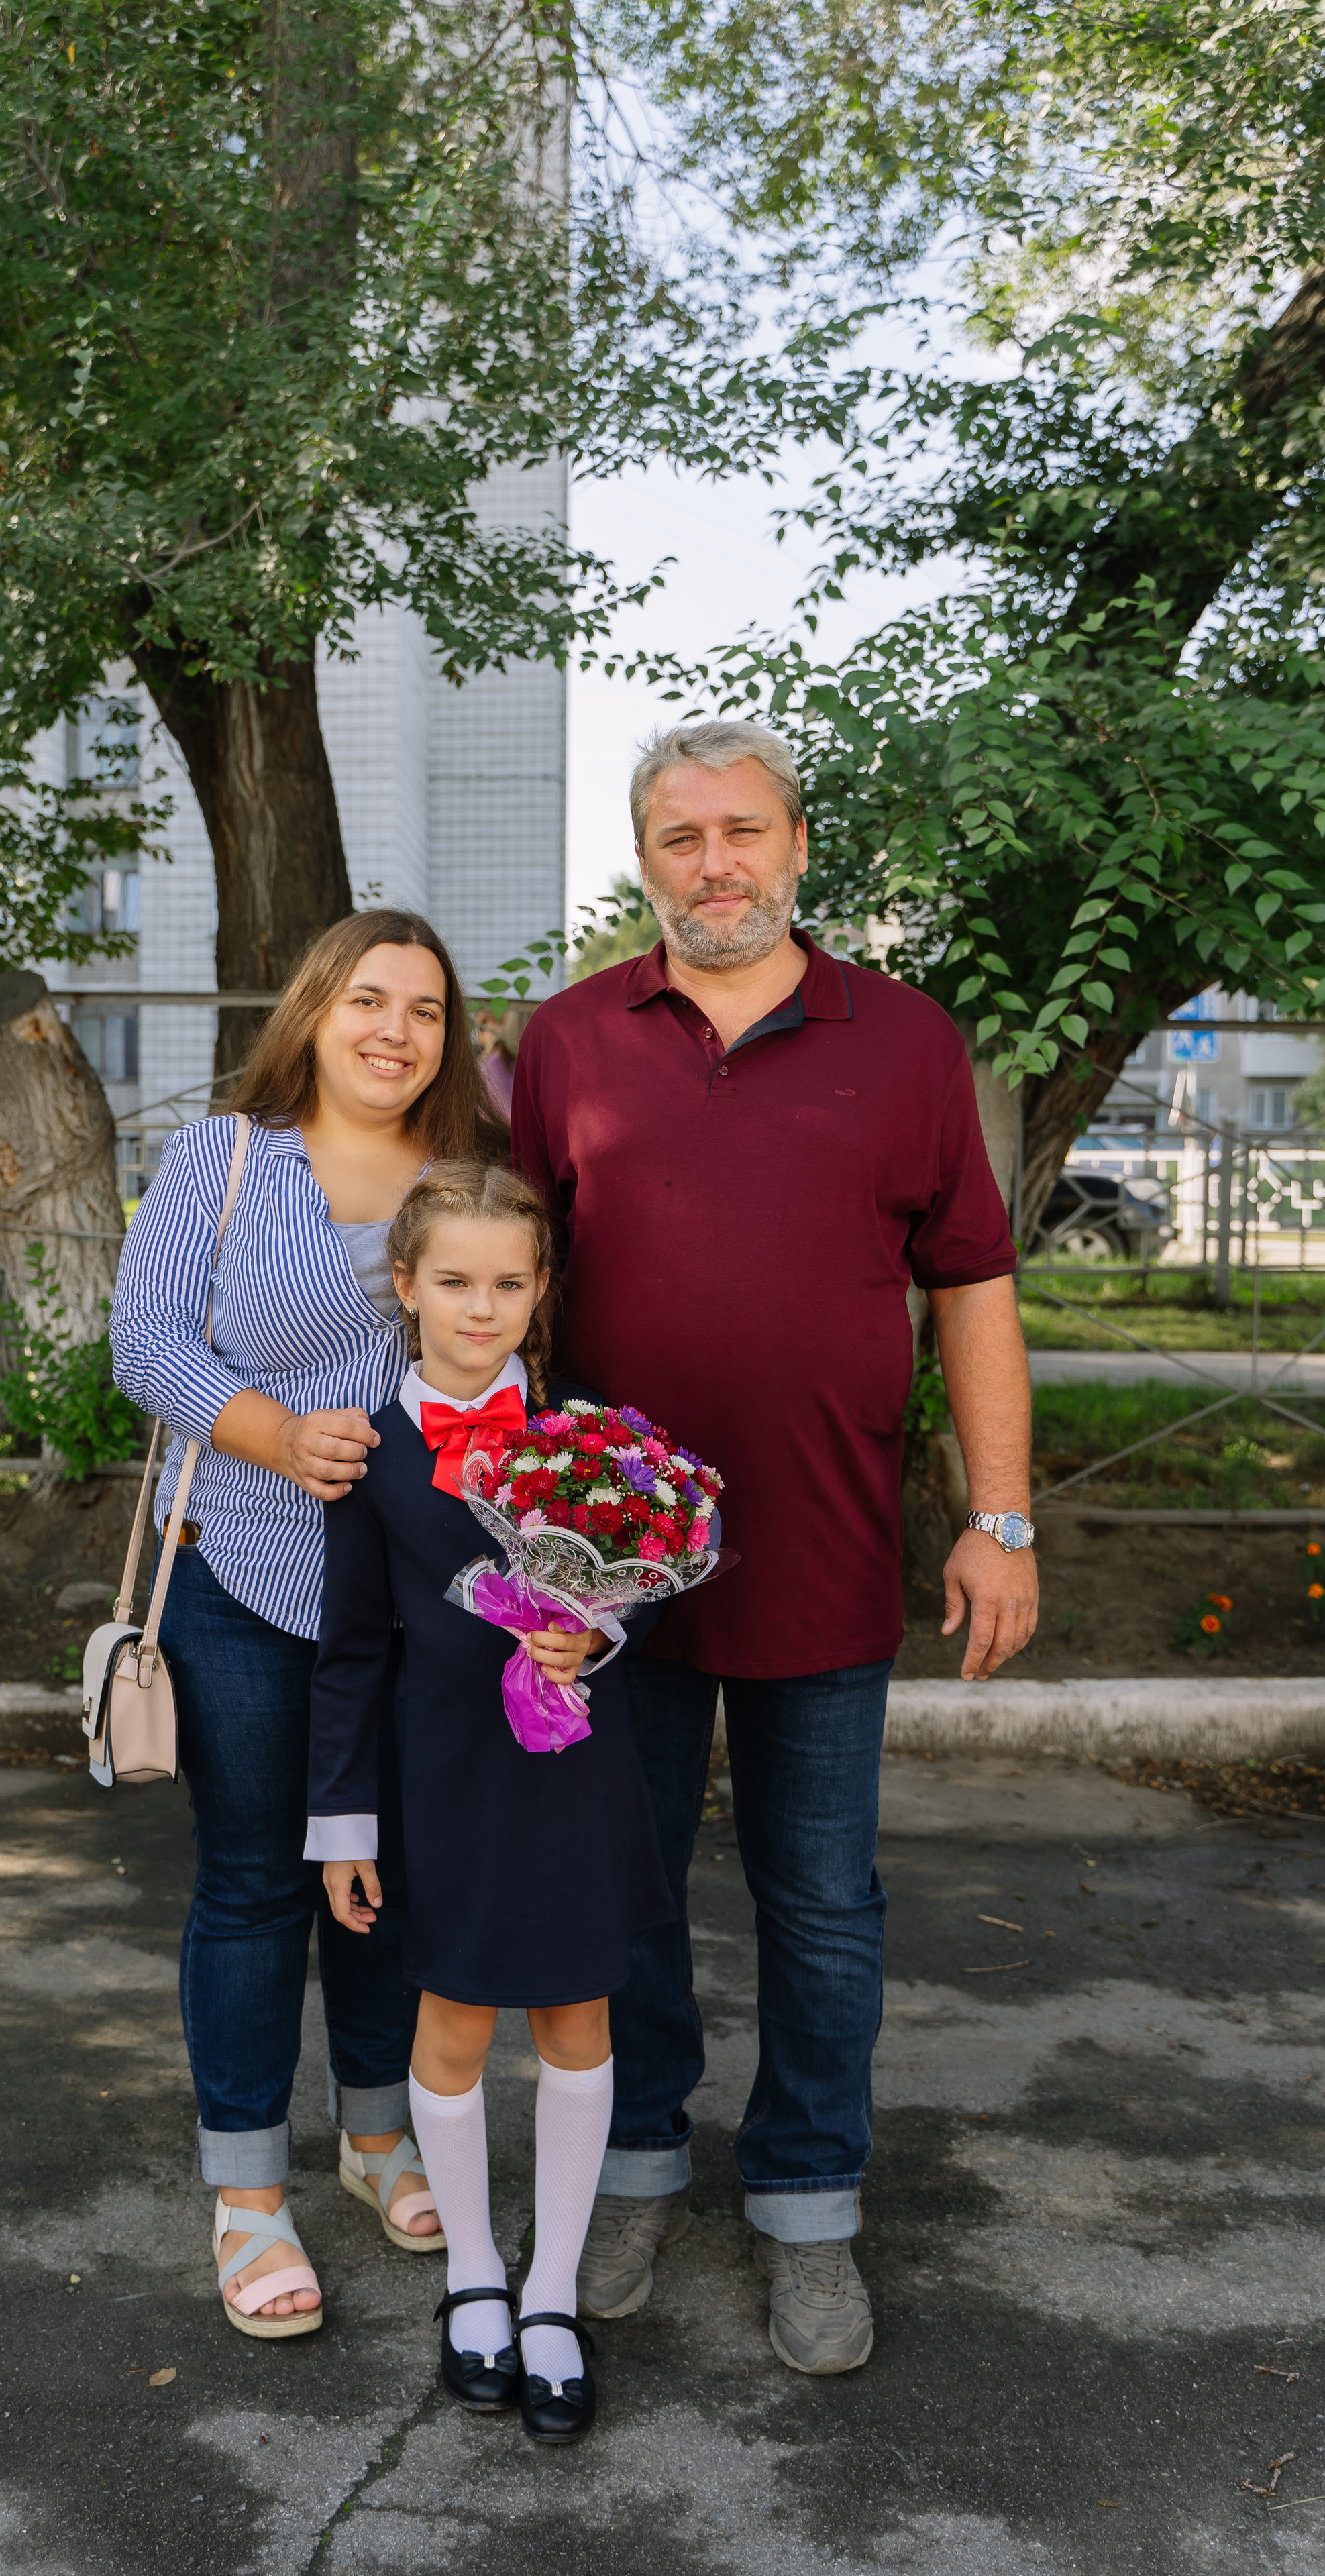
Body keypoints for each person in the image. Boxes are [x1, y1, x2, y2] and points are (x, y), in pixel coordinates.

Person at [511, 718, 1037, 2375]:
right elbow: (502, 1293)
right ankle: (637, 2170)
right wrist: (515, 1541)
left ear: (796, 846)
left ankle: (808, 2201)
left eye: (742, 831)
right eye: (679, 838)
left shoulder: (903, 1041)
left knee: (819, 1900)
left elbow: (970, 1292)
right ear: (642, 856)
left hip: (822, 1541)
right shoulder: (569, 1040)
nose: (712, 864)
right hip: (609, 1573)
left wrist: (998, 1517)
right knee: (627, 1884)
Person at [111, 908, 505, 2339]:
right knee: (257, 1881)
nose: (395, 1030)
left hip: (412, 1594)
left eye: (425, 1010)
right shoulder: (222, 1159)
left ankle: (374, 2135)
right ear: (314, 1013)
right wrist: (274, 1434)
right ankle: (246, 2196)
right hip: (243, 1573)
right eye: (368, 1000)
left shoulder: (466, 1182)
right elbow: (142, 1341)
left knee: (384, 1872)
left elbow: (506, 1345)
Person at [308, 1163, 674, 2443]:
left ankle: (553, 2293)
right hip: (443, 1779)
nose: (481, 1307)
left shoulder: (590, 1432)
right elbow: (353, 1646)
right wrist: (343, 1822)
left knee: (578, 2016)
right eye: (454, 1281)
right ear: (404, 1286)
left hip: (572, 1771)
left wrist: (597, 1639)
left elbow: (632, 1591)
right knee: (454, 2025)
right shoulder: (365, 1447)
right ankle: (474, 2274)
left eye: (508, 1284)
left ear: (541, 1291)